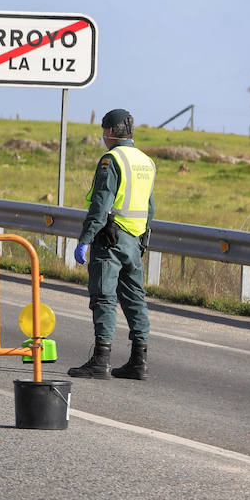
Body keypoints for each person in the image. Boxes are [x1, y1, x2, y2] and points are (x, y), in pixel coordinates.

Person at [68, 108, 156, 380]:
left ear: (108, 132)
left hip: (110, 238)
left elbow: (101, 203)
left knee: (104, 296)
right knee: (134, 299)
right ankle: (138, 361)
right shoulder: (146, 161)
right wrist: (143, 240)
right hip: (134, 240)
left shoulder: (112, 159)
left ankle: (100, 360)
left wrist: (85, 239)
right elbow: (150, 206)